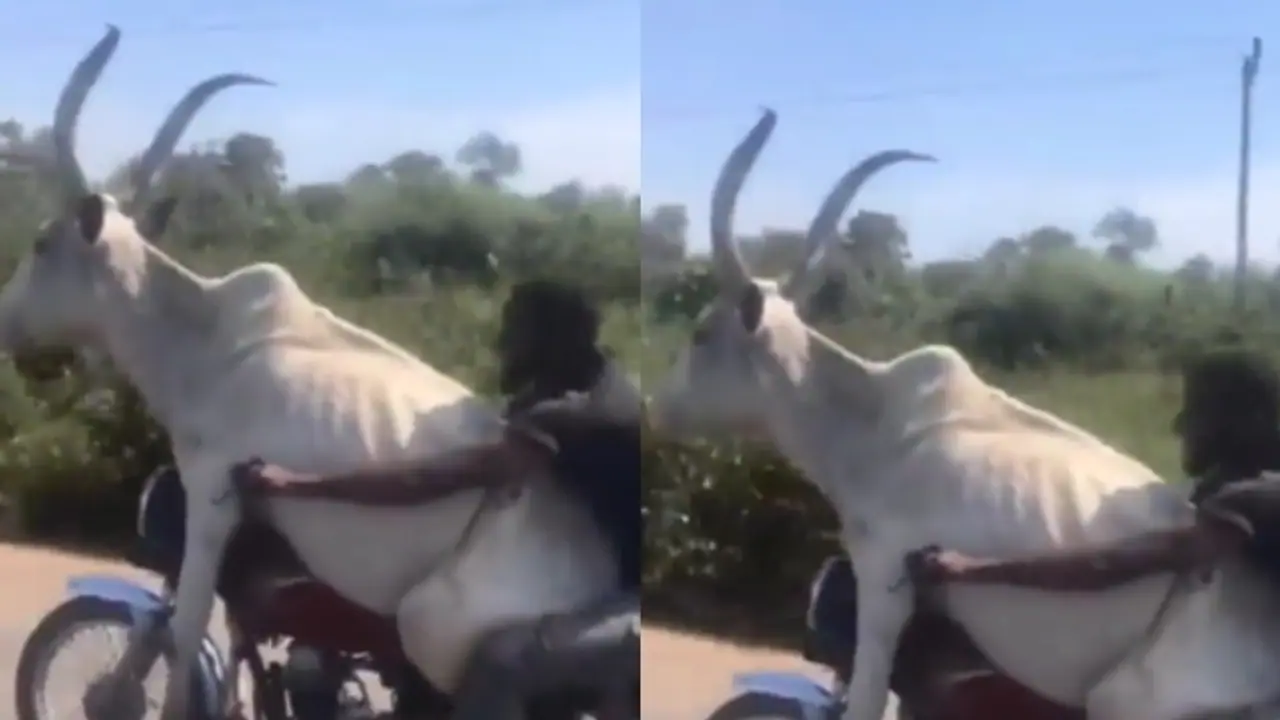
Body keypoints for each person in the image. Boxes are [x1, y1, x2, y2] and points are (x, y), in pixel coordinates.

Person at [905, 348, 1280, 596]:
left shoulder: (1255, 497)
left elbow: (1112, 565)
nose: (1180, 427)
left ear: (1244, 421)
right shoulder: (1254, 481)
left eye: (1197, 411)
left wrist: (971, 570)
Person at [447, 278, 640, 720]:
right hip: (612, 582)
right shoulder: (601, 384)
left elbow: (465, 474)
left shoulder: (575, 414)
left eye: (513, 330)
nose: (501, 343)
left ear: (548, 340)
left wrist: (301, 485)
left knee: (502, 663)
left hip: (640, 603)